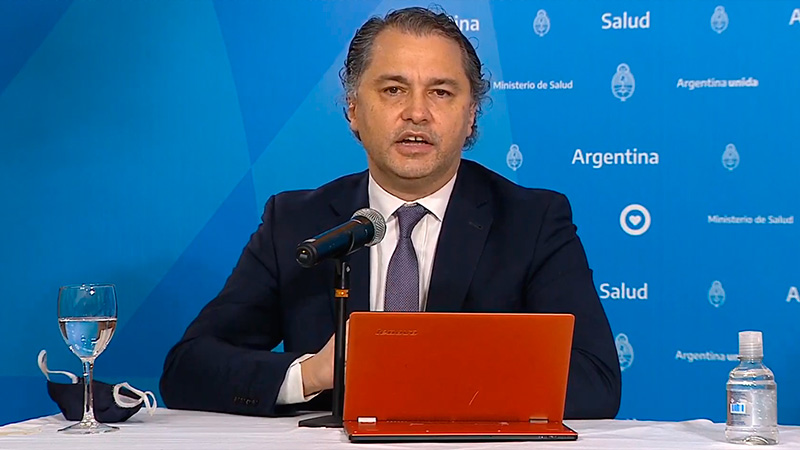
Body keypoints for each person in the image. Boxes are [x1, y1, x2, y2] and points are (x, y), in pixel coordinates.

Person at [160, 6, 621, 420]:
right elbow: (189, 368)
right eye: (394, 89)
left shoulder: (532, 221)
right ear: (353, 110)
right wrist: (312, 374)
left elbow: (594, 379)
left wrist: (424, 375)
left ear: (471, 116)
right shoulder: (298, 222)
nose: (416, 113)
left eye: (441, 92)